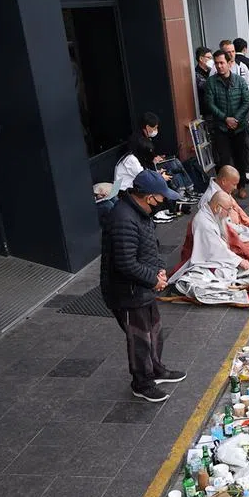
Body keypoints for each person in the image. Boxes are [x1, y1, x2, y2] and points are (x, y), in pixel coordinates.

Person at [100, 170, 186, 403]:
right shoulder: (123, 219)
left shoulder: (141, 213)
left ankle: (156, 370)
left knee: (154, 331)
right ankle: (142, 383)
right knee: (140, 339)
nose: (163, 201)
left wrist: (159, 269)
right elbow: (125, 263)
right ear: (149, 197)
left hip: (142, 288)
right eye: (161, 197)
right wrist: (153, 279)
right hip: (127, 292)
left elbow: (150, 247)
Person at [205, 51, 249, 198]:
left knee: (241, 158)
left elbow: (246, 101)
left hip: (239, 127)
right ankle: (226, 190)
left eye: (222, 63)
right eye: (216, 63)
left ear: (229, 63)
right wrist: (226, 119)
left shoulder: (240, 81)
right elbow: (210, 104)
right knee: (224, 160)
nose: (219, 66)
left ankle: (241, 186)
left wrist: (235, 119)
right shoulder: (211, 82)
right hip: (221, 127)